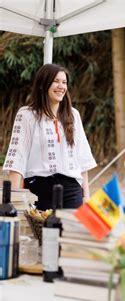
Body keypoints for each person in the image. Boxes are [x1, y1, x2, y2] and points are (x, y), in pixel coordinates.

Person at [3, 64, 96, 210]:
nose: (61, 86)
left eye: (64, 82)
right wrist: (14, 199)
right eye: (56, 81)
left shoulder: (73, 115)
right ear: (43, 84)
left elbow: (82, 157)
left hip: (72, 189)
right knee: (43, 232)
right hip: (39, 188)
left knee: (69, 232)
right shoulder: (27, 115)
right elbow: (17, 157)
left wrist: (86, 196)